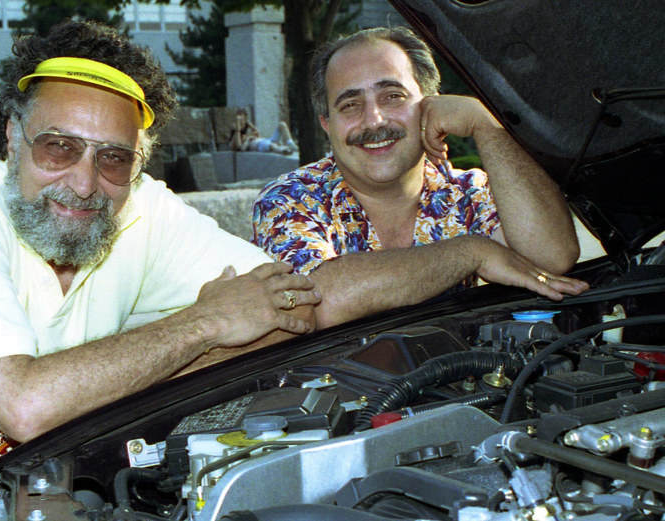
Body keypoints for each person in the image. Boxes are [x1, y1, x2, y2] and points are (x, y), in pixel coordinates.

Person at [0, 21, 321, 519]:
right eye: (59, 146)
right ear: (14, 138)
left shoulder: (144, 208)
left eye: (114, 158)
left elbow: (294, 305)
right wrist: (204, 324)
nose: (84, 184)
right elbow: (24, 406)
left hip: (30, 497)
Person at [252, 27, 589, 328]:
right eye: (350, 105)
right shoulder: (290, 198)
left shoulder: (467, 193)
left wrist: (485, 125)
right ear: (327, 124)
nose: (374, 120)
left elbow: (552, 258)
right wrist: (471, 252)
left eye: (393, 96)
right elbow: (316, 302)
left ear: (431, 105)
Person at [230, 108, 298, 155]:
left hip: (265, 140)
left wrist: (249, 136)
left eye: (244, 118)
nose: (243, 120)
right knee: (272, 145)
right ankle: (282, 151)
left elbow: (257, 132)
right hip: (261, 144)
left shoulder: (246, 126)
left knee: (282, 124)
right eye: (241, 118)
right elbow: (240, 148)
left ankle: (291, 144)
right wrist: (247, 139)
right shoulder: (237, 135)